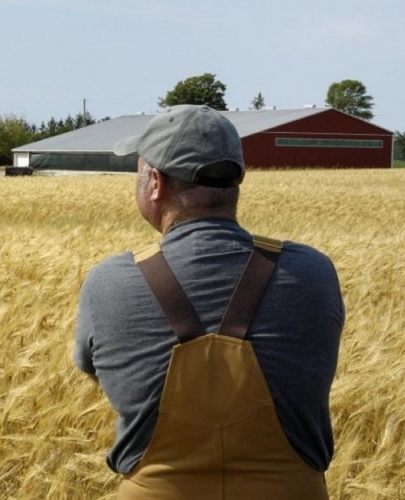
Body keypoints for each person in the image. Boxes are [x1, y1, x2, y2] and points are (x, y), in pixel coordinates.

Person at [73, 105, 344, 499]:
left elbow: (96, 370)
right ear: (235, 179)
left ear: (155, 182)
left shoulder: (109, 283)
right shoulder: (314, 273)